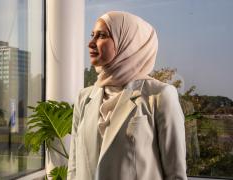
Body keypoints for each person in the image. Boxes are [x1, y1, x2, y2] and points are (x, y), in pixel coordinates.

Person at [67, 11, 187, 180]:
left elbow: (176, 174)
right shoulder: (84, 98)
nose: (91, 43)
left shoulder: (159, 95)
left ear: (128, 43)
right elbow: (74, 167)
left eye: (102, 35)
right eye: (92, 35)